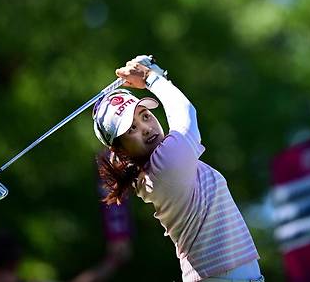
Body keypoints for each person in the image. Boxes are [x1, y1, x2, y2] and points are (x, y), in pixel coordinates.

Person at [92, 57, 263, 282]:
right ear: (122, 151)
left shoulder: (152, 170)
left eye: (145, 116)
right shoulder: (165, 164)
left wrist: (154, 73)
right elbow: (185, 112)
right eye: (131, 128)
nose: (145, 128)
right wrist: (149, 77)